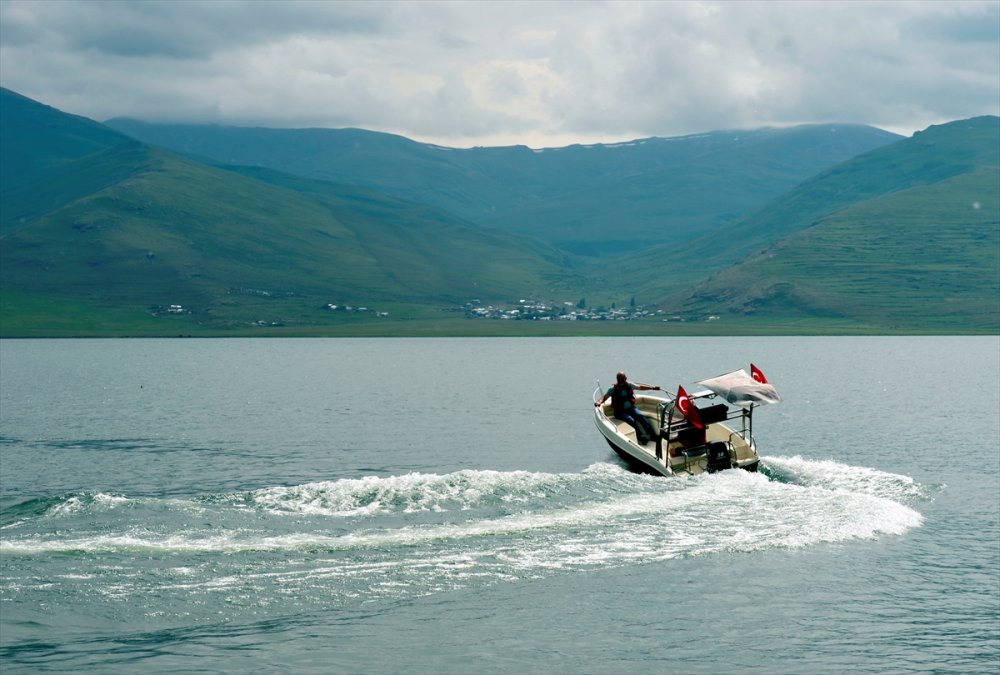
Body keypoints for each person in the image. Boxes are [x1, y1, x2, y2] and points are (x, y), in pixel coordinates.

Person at [595, 372, 660, 444]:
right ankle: (640, 437)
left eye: (623, 379)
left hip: (631, 408)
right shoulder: (612, 389)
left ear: (625, 379)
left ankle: (652, 435)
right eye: (620, 379)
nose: (622, 381)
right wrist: (599, 402)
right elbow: (605, 397)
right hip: (620, 411)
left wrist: (653, 388)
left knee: (640, 416)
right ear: (617, 380)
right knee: (631, 420)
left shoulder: (629, 385)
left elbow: (640, 387)